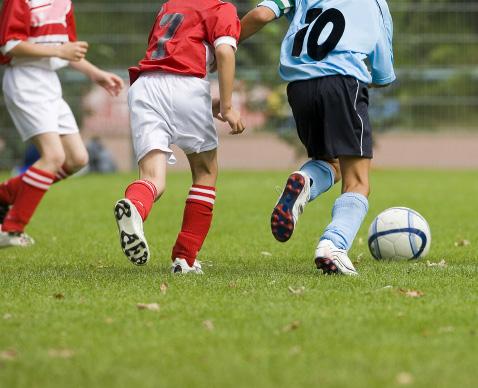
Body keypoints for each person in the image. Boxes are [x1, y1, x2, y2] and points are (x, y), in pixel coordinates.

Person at [241, 0, 396, 275]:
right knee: (358, 181)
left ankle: (305, 181)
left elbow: (261, 14)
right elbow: (383, 73)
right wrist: (374, 77)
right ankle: (333, 245)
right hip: (343, 82)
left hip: (299, 87)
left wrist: (220, 49)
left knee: (330, 162)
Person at [114, 0, 244, 274]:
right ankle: (185, 259)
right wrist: (228, 105)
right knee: (206, 172)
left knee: (151, 179)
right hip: (186, 84)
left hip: (145, 86)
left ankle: (135, 207)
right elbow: (224, 52)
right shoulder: (222, 8)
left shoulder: (170, 5)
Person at [0, 0, 124, 248]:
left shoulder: (64, 3)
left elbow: (69, 52)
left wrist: (95, 73)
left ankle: (5, 195)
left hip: (49, 83)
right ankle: (10, 229)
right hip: (25, 81)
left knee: (77, 158)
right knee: (53, 156)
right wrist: (58, 51)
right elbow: (9, 45)